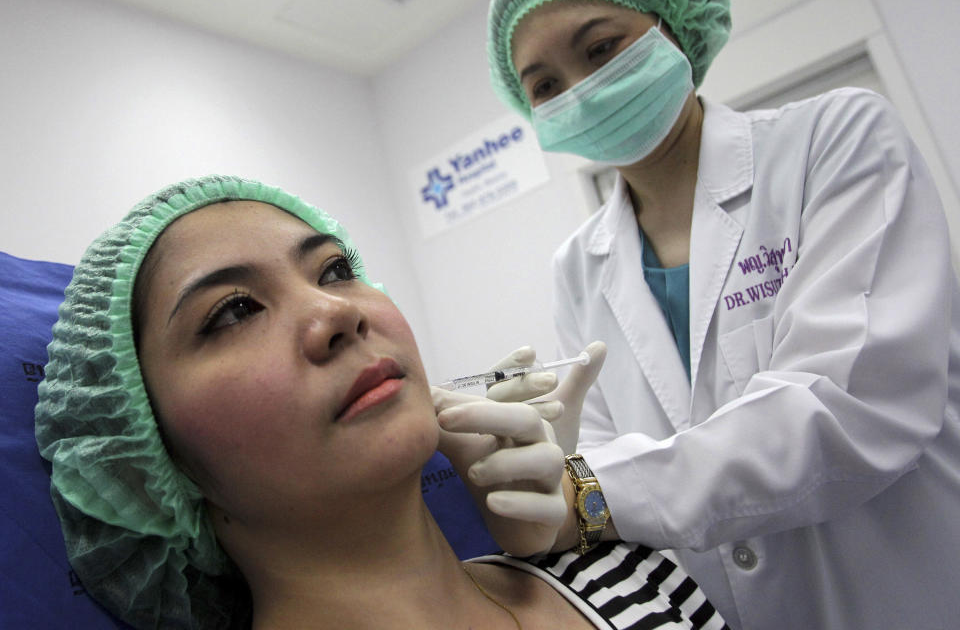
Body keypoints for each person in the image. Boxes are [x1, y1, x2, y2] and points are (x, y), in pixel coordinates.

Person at [449, 0, 960, 630]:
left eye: (600, 47)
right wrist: (543, 460)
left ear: (671, 26)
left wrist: (587, 495)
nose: (582, 90)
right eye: (545, 86)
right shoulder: (578, 266)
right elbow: (599, 452)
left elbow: (850, 406)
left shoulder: (835, 139)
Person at [34, 175, 729, 629]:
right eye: (233, 311)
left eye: (335, 269)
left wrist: (582, 499)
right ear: (143, 471)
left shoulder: (621, 569)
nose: (335, 312)